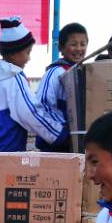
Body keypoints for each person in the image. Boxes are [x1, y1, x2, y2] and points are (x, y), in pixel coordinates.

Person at [0, 16, 68, 152]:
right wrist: (60, 134)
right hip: (8, 155)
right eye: (27, 52)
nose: (29, 58)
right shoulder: (15, 80)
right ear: (13, 54)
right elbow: (31, 113)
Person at [36, 22, 88, 152]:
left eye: (83, 44)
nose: (79, 49)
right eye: (73, 44)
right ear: (60, 48)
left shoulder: (84, 73)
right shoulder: (54, 73)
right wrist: (63, 135)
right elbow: (42, 106)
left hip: (76, 145)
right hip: (55, 146)